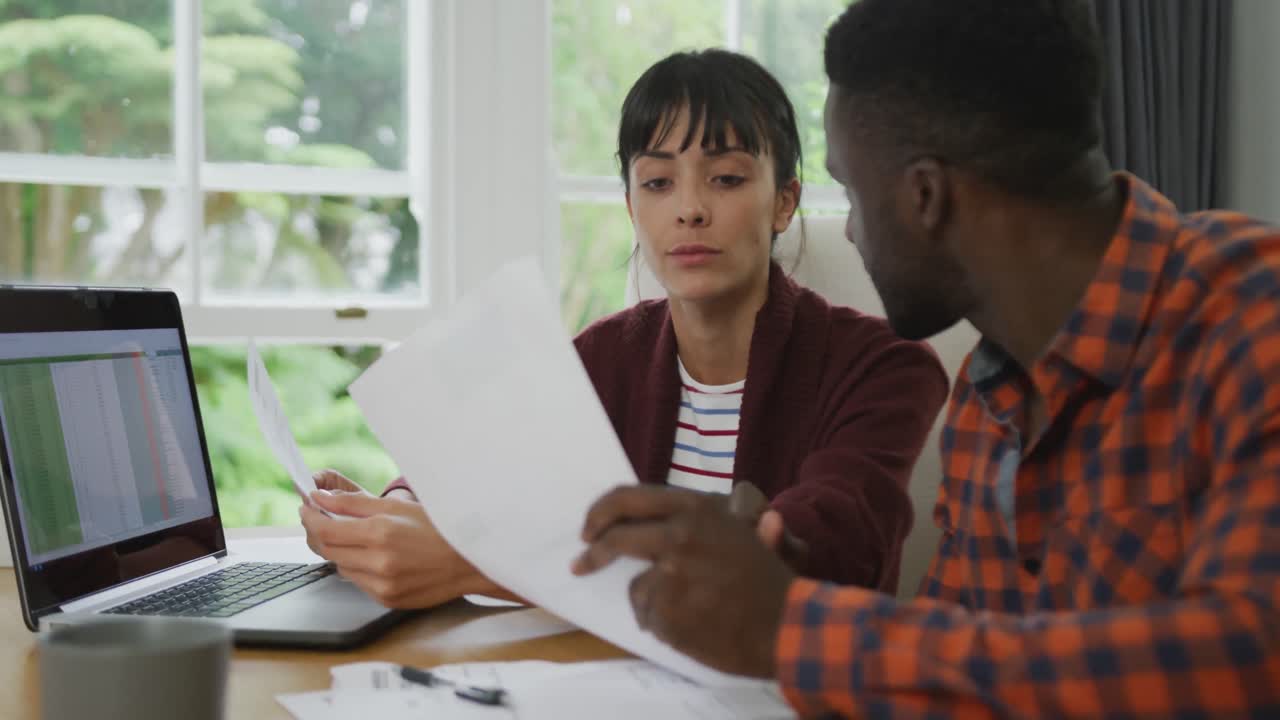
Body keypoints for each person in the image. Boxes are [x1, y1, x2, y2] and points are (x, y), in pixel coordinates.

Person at [571, 0, 1280, 716]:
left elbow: (1254, 656)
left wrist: (791, 629)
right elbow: (943, 669)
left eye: (850, 192)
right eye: (657, 182)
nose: (848, 230)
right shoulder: (987, 399)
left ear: (924, 197)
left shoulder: (1250, 308)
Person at [299, 49, 948, 610]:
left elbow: (817, 559)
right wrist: (387, 518)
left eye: (725, 179)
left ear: (785, 201)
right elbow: (472, 471)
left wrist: (471, 565)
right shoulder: (599, 358)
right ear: (632, 205)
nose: (689, 209)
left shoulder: (885, 369)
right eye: (658, 182)